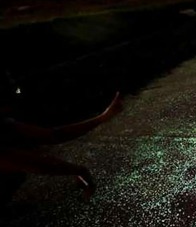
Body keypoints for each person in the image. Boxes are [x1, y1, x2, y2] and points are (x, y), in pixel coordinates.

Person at [1, 69, 121, 201]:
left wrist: (102, 118)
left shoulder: (7, 123)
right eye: (9, 82)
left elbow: (52, 135)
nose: (14, 86)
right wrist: (79, 170)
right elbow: (36, 163)